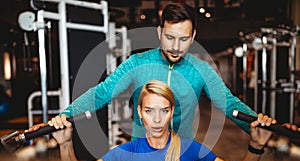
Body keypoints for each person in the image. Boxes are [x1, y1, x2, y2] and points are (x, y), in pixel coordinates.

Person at [29, 3, 256, 141]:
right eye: (170, 37)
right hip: (142, 155)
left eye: (184, 39)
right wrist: (65, 115)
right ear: (159, 32)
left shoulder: (201, 69)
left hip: (182, 156)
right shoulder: (137, 63)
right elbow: (102, 93)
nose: (176, 46)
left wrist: (258, 124)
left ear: (193, 36)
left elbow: (229, 104)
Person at [50, 80, 274, 161]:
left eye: (163, 110)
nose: (156, 119)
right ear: (140, 113)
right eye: (149, 111)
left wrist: (255, 146)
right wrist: (66, 145)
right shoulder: (126, 153)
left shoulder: (189, 150)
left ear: (171, 112)